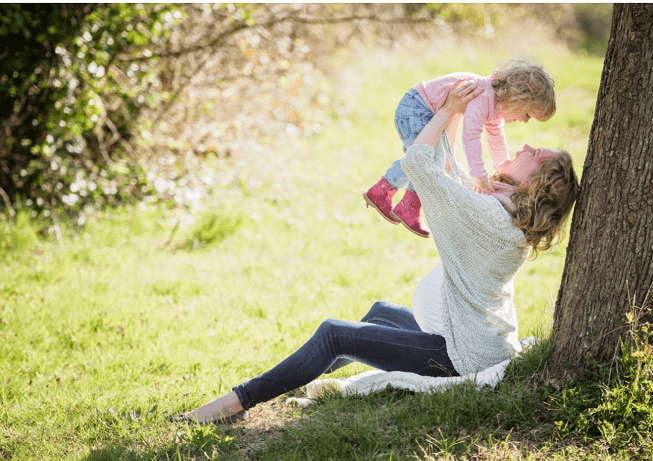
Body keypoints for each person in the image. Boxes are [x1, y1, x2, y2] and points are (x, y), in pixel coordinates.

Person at [173, 79, 578, 425]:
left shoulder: (489, 217)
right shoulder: (507, 216)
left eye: (535, 155)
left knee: (335, 333)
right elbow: (460, 180)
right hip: (474, 338)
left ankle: (236, 402)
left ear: (535, 185)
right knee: (379, 313)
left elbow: (419, 163)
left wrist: (450, 110)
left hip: (460, 357)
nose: (526, 145)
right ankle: (287, 382)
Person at [363, 58, 556, 238]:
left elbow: (496, 138)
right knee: (427, 159)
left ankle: (389, 195)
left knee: (426, 159)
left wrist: (502, 168)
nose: (524, 121)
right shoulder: (484, 97)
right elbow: (470, 136)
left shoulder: (495, 105)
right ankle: (405, 204)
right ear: (518, 98)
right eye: (528, 115)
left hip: (421, 109)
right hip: (416, 109)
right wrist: (479, 177)